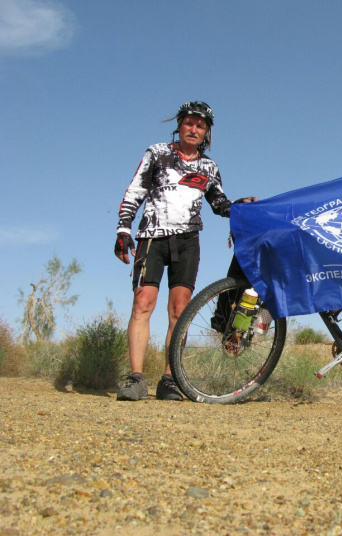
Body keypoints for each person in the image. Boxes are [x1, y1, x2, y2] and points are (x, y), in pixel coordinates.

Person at [114, 101, 255, 401]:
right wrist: (123, 229)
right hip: (152, 238)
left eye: (200, 126)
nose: (194, 129)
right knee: (143, 303)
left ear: (207, 133)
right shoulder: (157, 153)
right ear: (179, 126)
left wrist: (241, 206)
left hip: (188, 241)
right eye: (189, 123)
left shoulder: (209, 167)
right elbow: (135, 191)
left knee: (180, 311)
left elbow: (220, 204)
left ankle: (170, 379)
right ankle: (135, 379)